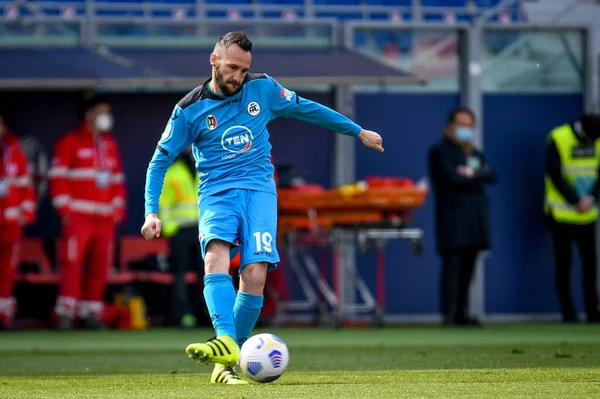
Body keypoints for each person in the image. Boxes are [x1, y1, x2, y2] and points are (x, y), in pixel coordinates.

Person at [141, 31, 383, 384]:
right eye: (232, 67)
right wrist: (151, 211)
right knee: (214, 258)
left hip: (259, 191)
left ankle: (225, 360)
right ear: (214, 60)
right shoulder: (189, 110)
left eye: (243, 69)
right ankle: (226, 341)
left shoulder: (263, 89)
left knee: (254, 275)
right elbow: (158, 162)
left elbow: (308, 110)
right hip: (216, 193)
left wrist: (356, 131)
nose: (237, 76)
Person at [49, 95, 127, 330]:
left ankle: (90, 313)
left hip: (104, 220)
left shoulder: (109, 144)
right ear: (89, 114)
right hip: (78, 218)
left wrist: (117, 209)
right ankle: (66, 313)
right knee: (72, 263)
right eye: (102, 111)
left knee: (100, 266)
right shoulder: (69, 142)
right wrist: (66, 210)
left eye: (108, 111)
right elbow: (57, 178)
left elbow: (117, 180)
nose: (106, 117)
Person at [428, 106, 498, 327]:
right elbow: (452, 178)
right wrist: (477, 176)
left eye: (469, 126)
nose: (466, 129)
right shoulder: (440, 151)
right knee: (453, 267)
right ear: (450, 125)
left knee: (469, 268)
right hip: (453, 219)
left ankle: (463, 312)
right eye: (461, 125)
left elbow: (493, 174)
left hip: (476, 219)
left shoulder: (473, 152)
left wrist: (472, 174)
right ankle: (448, 314)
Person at [544, 114, 600, 323]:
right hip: (562, 213)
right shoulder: (559, 137)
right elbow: (554, 172)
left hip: (588, 214)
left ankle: (593, 312)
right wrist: (576, 200)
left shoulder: (598, 137)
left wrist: (592, 197)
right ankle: (568, 312)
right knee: (564, 264)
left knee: (590, 265)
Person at [158, 146, 204, 328]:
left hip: (203, 230)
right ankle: (183, 315)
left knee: (209, 274)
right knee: (180, 275)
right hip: (180, 231)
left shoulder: (206, 169)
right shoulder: (172, 173)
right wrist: (170, 230)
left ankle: (209, 314)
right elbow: (164, 204)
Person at [0, 113, 37, 330]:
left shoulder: (14, 150)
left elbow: (26, 187)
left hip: (11, 224)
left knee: (7, 272)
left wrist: (26, 214)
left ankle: (4, 315)